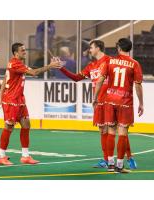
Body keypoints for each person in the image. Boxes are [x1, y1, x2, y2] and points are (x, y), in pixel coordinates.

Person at [58, 40, 136, 169]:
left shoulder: (111, 61)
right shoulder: (91, 66)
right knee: (103, 130)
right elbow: (77, 77)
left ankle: (129, 157)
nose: (89, 50)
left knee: (120, 129)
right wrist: (61, 68)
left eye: (91, 47)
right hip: (99, 102)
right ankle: (107, 160)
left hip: (111, 101)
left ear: (99, 48)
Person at [0, 42, 61, 165]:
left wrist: (0, 96)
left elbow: (5, 78)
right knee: (9, 127)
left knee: (26, 125)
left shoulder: (18, 64)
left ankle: (25, 156)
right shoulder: (15, 64)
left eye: (25, 50)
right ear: (16, 53)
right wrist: (50, 66)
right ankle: (1, 156)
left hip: (19, 99)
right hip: (11, 100)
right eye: (22, 50)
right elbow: (34, 73)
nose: (25, 52)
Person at [93, 38, 143, 173]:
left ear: (119, 48)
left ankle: (110, 164)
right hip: (125, 102)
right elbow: (138, 85)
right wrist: (141, 103)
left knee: (110, 131)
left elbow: (100, 80)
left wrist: (95, 97)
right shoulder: (134, 64)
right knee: (122, 133)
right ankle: (119, 166)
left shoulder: (109, 61)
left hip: (109, 101)